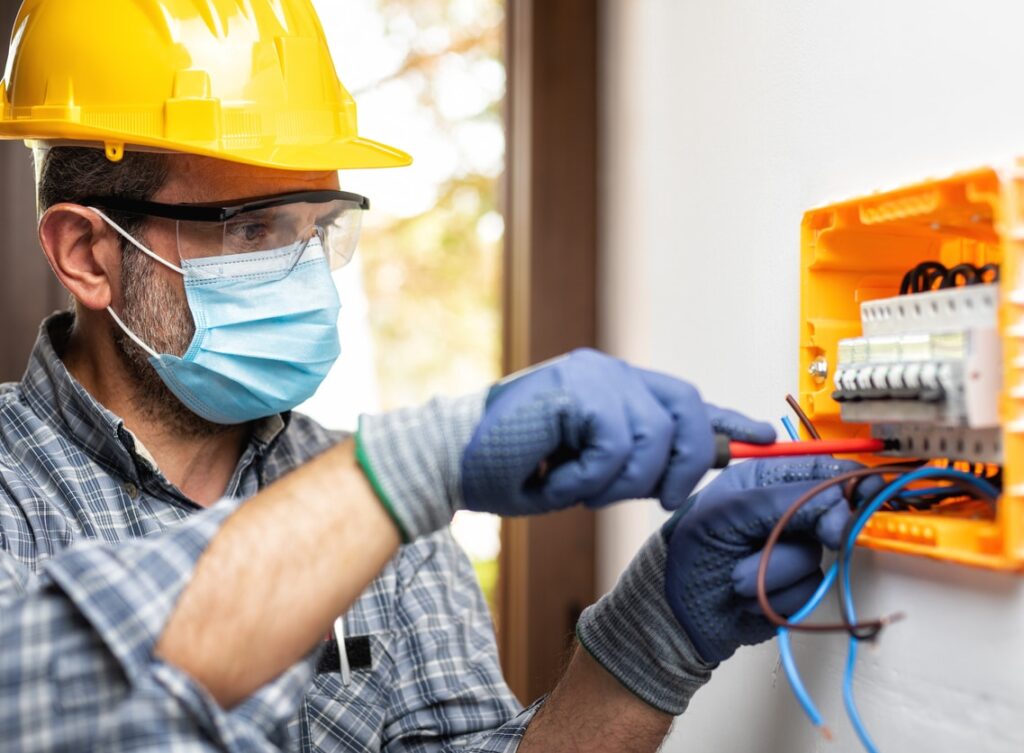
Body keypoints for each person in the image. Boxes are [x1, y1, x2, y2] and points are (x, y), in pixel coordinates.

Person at [0, 1, 860, 750]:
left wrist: (650, 642)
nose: (307, 274)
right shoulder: (378, 494)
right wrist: (410, 469)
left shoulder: (388, 527)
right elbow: (34, 694)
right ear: (88, 253)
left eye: (317, 226)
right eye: (254, 229)